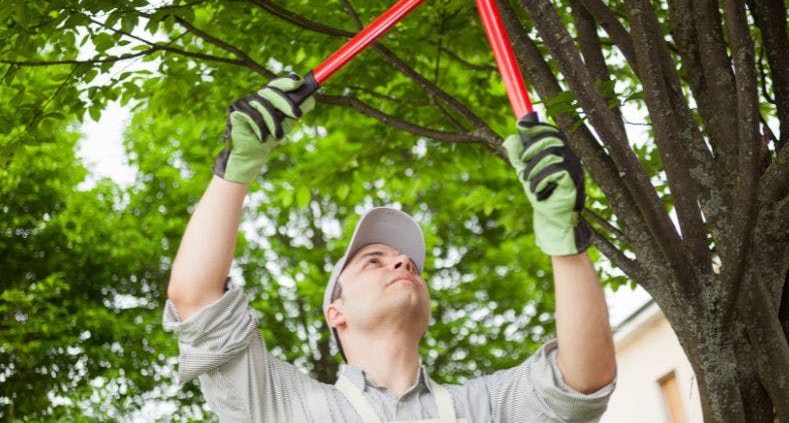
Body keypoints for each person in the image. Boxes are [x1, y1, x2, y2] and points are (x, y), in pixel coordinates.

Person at [163, 75, 617, 422]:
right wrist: (235, 169)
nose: (402, 261)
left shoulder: (483, 407)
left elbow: (582, 381)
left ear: (428, 315)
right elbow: (196, 299)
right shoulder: (286, 406)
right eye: (372, 260)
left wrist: (565, 242)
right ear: (335, 313)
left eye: (410, 264)